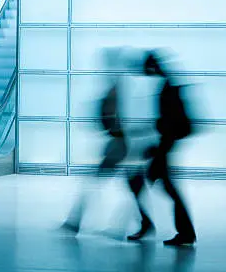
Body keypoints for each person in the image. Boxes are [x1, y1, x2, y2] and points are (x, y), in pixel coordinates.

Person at [126, 51, 196, 246]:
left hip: (165, 144)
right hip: (164, 145)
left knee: (143, 182)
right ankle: (181, 231)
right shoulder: (169, 85)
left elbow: (170, 122)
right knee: (157, 184)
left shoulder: (167, 88)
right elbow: (167, 121)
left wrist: (158, 146)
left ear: (151, 67)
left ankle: (178, 231)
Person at [61, 79, 127, 234]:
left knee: (95, 183)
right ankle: (75, 221)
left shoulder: (118, 93)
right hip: (122, 147)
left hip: (120, 148)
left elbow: (106, 119)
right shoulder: (124, 94)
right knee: (136, 188)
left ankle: (75, 221)